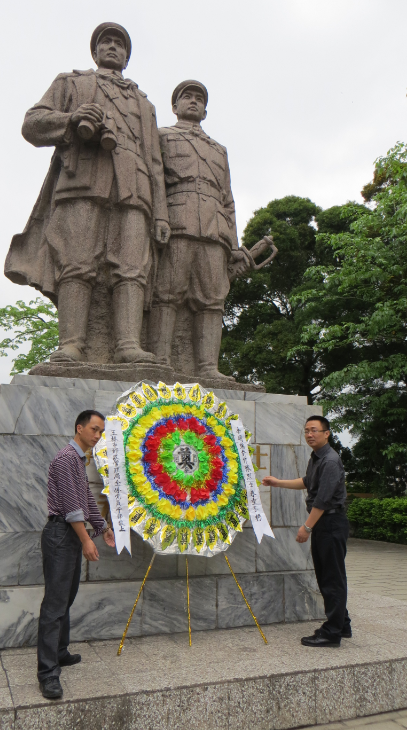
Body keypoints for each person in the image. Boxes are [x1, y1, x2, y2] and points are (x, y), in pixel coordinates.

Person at [5, 22, 170, 365]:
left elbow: (155, 162)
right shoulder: (71, 82)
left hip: (134, 189)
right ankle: (72, 345)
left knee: (131, 268)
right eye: (105, 42)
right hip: (83, 181)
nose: (112, 47)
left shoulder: (144, 103)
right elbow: (32, 124)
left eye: (119, 44)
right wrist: (71, 119)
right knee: (76, 263)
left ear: (127, 55)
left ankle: (127, 345)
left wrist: (161, 213)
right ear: (95, 52)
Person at [149, 80, 251, 381]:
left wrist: (232, 244)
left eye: (199, 99)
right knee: (167, 292)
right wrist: (158, 217)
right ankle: (160, 360)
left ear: (205, 110)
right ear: (175, 106)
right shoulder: (162, 136)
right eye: (186, 97)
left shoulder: (218, 150)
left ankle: (208, 367)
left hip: (213, 229)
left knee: (212, 298)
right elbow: (155, 180)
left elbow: (228, 198)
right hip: (177, 219)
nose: (193, 102)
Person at [37, 410, 115, 699]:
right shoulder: (65, 459)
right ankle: (47, 674)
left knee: (66, 598)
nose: (97, 436)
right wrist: (87, 540)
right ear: (79, 428)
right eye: (94, 430)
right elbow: (71, 508)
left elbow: (86, 503)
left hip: (68, 535)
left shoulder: (78, 461)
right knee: (54, 605)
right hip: (60, 535)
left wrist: (102, 528)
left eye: (100, 432)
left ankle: (59, 652)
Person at [262, 415, 351, 647]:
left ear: (326, 433)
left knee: (332, 577)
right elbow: (307, 482)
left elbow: (322, 500)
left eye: (314, 430)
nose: (310, 434)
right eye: (306, 431)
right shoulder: (317, 458)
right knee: (328, 574)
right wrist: (278, 482)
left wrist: (306, 527)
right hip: (325, 523)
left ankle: (332, 633)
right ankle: (343, 624)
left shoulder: (330, 460)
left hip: (329, 523)